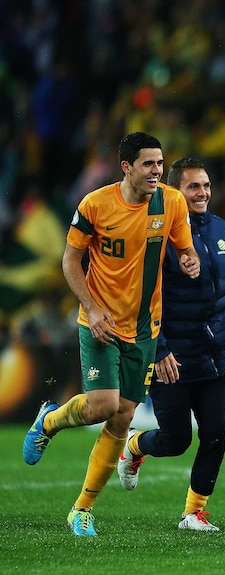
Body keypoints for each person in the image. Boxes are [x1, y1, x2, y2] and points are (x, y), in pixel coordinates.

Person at [22, 132, 201, 536]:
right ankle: (49, 421)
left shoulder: (171, 202)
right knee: (103, 406)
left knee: (122, 418)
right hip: (100, 321)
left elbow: (184, 247)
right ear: (127, 167)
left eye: (160, 163)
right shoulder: (95, 204)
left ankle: (81, 509)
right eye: (148, 164)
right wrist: (92, 307)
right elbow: (70, 261)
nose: (157, 171)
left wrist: (190, 260)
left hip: (145, 327)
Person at [115, 158, 225, 531]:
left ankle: (193, 513)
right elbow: (142, 299)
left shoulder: (223, 232)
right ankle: (134, 446)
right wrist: (161, 348)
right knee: (175, 439)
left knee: (216, 434)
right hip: (172, 356)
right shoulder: (156, 235)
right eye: (193, 187)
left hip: (215, 355)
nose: (202, 193)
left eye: (206, 186)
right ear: (174, 192)